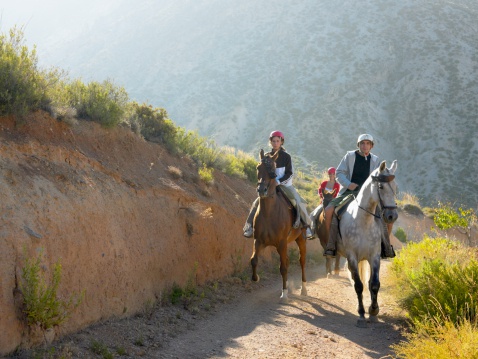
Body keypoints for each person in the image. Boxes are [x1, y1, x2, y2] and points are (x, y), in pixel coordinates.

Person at [323, 134, 394, 258]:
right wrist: (348, 184)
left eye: (368, 143)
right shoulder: (349, 156)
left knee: (386, 216)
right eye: (362, 143)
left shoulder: (376, 160)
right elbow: (339, 172)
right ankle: (331, 245)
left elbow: (381, 177)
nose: (365, 146)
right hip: (349, 192)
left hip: (369, 196)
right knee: (329, 210)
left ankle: (386, 247)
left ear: (371, 146)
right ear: (358, 145)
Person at [243, 130, 315, 240]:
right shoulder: (267, 156)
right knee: (256, 202)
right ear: (270, 142)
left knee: (298, 201)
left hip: (285, 185)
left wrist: (278, 181)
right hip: (270, 186)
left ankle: (307, 226)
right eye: (273, 141)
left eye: (278, 141)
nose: (276, 143)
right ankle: (249, 227)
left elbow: (290, 173)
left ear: (281, 142)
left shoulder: (287, 157)